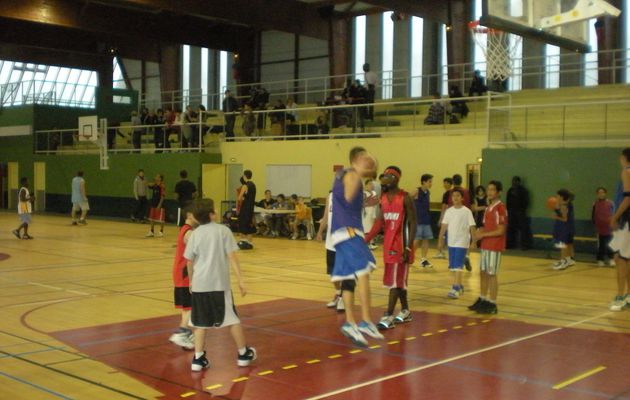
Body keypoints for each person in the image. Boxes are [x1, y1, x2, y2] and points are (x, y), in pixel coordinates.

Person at [184, 199, 256, 371]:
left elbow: (189, 261)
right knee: (232, 319)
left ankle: (198, 359)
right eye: (214, 209)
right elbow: (232, 257)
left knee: (199, 322)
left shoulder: (195, 234)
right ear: (211, 214)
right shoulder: (224, 231)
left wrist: (192, 281)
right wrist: (240, 280)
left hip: (200, 285)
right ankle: (243, 354)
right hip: (219, 285)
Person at [330, 146, 383, 347]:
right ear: (358, 159)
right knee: (364, 271)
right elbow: (348, 197)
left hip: (340, 233)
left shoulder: (344, 175)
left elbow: (348, 200)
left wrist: (365, 200)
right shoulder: (351, 175)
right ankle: (366, 321)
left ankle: (350, 323)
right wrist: (360, 186)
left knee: (347, 280)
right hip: (349, 231)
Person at [365, 166, 416, 329]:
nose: (383, 180)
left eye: (386, 177)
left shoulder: (405, 197)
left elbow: (412, 223)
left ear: (394, 179)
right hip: (388, 245)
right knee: (398, 281)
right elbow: (379, 223)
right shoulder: (384, 198)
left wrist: (408, 247)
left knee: (394, 282)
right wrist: (365, 239)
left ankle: (388, 315)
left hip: (401, 246)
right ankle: (406, 311)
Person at [469, 181, 507, 315]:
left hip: (495, 246)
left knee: (492, 274)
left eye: (492, 190)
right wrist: (477, 235)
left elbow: (500, 230)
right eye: (488, 189)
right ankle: (483, 298)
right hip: (485, 245)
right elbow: (486, 226)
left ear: (499, 192)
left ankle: (493, 302)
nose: (489, 192)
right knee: (483, 273)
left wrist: (483, 234)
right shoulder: (488, 208)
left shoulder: (500, 208)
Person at [168, 207, 199, 350]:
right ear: (189, 215)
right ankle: (182, 332)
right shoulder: (189, 232)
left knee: (187, 308)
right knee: (191, 306)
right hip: (185, 273)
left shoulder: (185, 229)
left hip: (180, 272)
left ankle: (186, 335)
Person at [437, 189, 476, 299]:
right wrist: (440, 240)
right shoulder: (449, 211)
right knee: (454, 266)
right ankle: (459, 285)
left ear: (462, 198)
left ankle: (456, 288)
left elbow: (472, 227)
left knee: (458, 266)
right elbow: (444, 227)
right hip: (451, 242)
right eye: (453, 196)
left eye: (458, 196)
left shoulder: (466, 211)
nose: (455, 198)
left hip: (462, 242)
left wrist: (474, 241)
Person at [609, 148, 630, 311]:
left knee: (620, 259)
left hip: (626, 221)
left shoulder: (626, 172)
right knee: (626, 259)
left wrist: (615, 216)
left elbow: (628, 198)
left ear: (624, 158)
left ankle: (620, 296)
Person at [316, 191, 344, 311]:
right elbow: (326, 215)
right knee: (332, 273)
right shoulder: (331, 196)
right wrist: (319, 231)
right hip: (331, 241)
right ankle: (338, 293)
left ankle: (343, 299)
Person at [551, 189, 576, 270]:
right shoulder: (566, 204)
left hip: (564, 227)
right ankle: (568, 260)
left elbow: (564, 219)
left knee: (562, 245)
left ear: (561, 197)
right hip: (567, 227)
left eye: (557, 196)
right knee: (567, 244)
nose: (556, 197)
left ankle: (563, 261)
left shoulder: (564, 206)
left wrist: (556, 217)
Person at [506, 176, 532, 250]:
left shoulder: (523, 191)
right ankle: (510, 244)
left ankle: (524, 245)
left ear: (519, 182)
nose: (514, 183)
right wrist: (508, 211)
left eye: (515, 181)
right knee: (510, 229)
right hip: (511, 212)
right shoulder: (510, 190)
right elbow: (508, 202)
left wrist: (522, 210)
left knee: (523, 229)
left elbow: (526, 201)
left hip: (520, 212)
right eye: (513, 181)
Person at [413, 173, 434, 268]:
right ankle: (409, 256)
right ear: (424, 182)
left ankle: (424, 259)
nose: (431, 183)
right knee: (417, 240)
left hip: (426, 219)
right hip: (418, 220)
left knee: (426, 239)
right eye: (429, 181)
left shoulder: (428, 192)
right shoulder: (416, 191)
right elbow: (407, 201)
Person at [592, 187, 615, 267]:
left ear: (605, 193)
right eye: (599, 193)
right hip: (600, 228)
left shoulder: (610, 203)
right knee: (601, 245)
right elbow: (593, 215)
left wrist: (613, 224)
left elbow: (614, 214)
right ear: (597, 194)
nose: (601, 194)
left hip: (609, 228)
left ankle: (611, 259)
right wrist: (595, 225)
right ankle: (600, 260)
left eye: (602, 192)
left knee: (610, 244)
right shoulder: (595, 204)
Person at [237, 170, 256, 249]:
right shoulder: (253, 185)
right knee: (249, 224)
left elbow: (239, 198)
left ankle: (243, 241)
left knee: (242, 223)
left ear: (244, 176)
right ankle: (249, 242)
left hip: (245, 208)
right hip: (251, 207)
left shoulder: (245, 186)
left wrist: (242, 198)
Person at [435, 177, 454, 258]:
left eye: (446, 182)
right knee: (445, 235)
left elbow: (444, 206)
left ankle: (440, 251)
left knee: (443, 235)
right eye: (444, 182)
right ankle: (441, 251)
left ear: (450, 184)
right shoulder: (450, 193)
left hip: (448, 217)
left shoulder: (448, 193)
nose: (444, 184)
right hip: (450, 216)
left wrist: (441, 218)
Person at [362, 179, 378, 249]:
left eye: (372, 184)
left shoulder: (374, 193)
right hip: (366, 213)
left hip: (373, 212)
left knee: (372, 228)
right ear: (366, 185)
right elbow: (362, 203)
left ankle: (371, 242)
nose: (371, 186)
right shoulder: (363, 193)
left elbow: (376, 202)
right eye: (369, 184)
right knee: (366, 228)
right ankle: (366, 243)